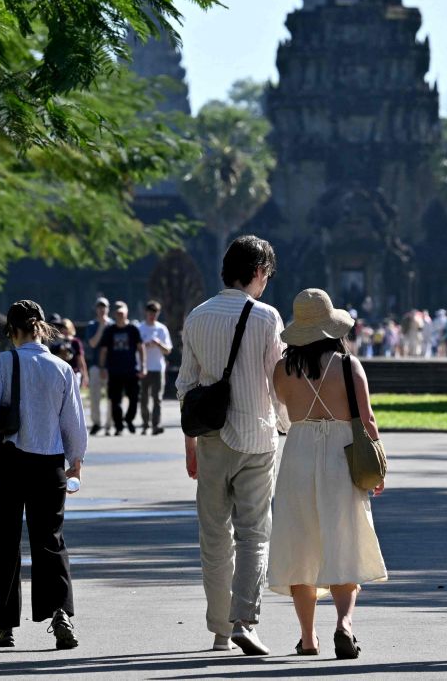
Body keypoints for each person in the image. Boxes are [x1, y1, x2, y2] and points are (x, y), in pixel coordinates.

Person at [176, 235, 286, 655]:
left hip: (209, 438)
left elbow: (186, 385)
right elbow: (277, 382)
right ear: (258, 273)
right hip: (257, 439)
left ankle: (221, 629)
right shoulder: (265, 317)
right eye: (266, 277)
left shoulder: (197, 316)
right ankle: (245, 620)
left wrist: (190, 441)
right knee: (254, 535)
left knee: (214, 536)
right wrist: (285, 425)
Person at [269, 288, 387, 659]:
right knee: (344, 539)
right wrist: (378, 464)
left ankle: (307, 637)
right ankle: (344, 624)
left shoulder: (282, 370)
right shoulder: (348, 365)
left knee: (300, 543)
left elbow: (284, 417)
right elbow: (365, 419)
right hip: (341, 452)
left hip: (299, 451)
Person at [0, 300, 88, 650]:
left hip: (10, 460)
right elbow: (74, 425)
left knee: (6, 541)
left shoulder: (3, 364)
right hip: (49, 464)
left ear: (11, 331)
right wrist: (75, 461)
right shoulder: (61, 368)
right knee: (50, 540)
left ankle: (3, 627)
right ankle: (60, 613)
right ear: (42, 328)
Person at [98, 301, 145, 435]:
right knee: (115, 400)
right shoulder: (110, 330)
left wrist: (143, 366)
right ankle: (119, 426)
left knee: (134, 398)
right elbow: (104, 350)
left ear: (126, 313)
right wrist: (102, 368)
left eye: (122, 313)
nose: (120, 315)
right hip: (114, 371)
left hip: (131, 370)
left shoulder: (133, 329)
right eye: (117, 313)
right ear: (114, 314)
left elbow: (141, 348)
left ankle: (129, 420)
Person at [137, 300, 173, 435]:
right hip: (144, 367)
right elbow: (135, 349)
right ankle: (145, 423)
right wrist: (144, 346)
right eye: (150, 313)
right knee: (144, 397)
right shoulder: (140, 329)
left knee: (157, 397)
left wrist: (158, 344)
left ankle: (156, 424)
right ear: (146, 313)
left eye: (155, 313)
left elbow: (168, 350)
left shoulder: (161, 329)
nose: (152, 316)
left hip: (158, 368)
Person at [84, 297, 110, 435]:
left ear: (108, 308)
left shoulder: (113, 324)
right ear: (96, 309)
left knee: (112, 397)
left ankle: (109, 424)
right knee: (95, 396)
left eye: (104, 307)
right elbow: (93, 343)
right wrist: (101, 327)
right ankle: (97, 422)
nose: (102, 309)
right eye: (99, 307)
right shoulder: (92, 325)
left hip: (111, 367)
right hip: (95, 366)